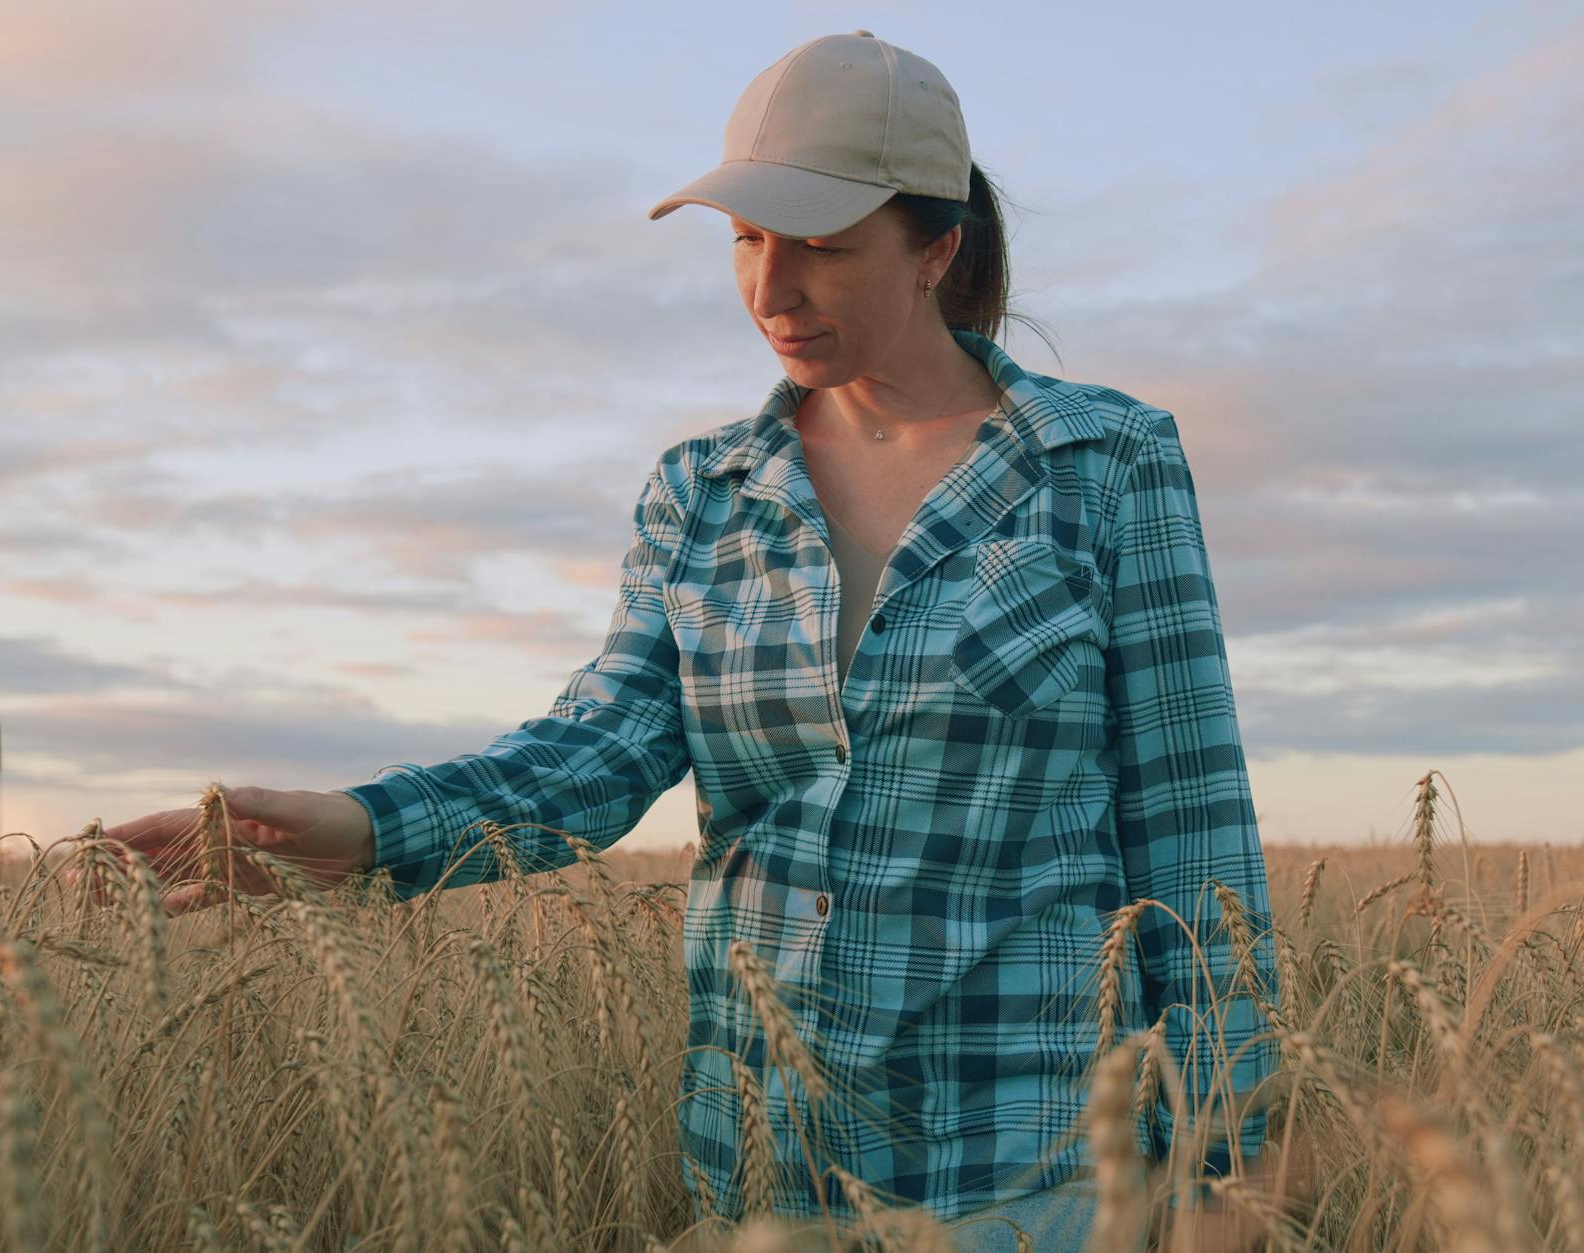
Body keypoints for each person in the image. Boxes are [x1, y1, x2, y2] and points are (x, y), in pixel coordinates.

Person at [99, 30, 1283, 1253]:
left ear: (936, 247)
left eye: (822, 247)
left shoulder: (1104, 462)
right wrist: (360, 826)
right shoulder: (703, 491)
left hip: (1030, 1170)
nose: (773, 290)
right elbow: (596, 751)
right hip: (762, 1164)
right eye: (745, 240)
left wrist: (1231, 1167)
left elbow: (1189, 830)